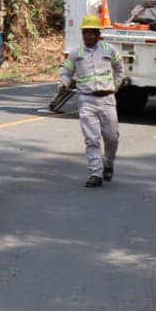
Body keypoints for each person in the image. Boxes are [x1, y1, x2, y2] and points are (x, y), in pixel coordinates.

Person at [58, 14, 124, 187]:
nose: (87, 35)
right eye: (85, 32)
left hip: (107, 100)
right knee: (92, 139)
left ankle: (108, 162)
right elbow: (66, 72)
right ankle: (96, 173)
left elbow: (119, 69)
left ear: (98, 34)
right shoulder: (76, 54)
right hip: (86, 101)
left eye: (90, 32)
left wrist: (115, 87)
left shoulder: (109, 50)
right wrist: (64, 82)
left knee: (112, 137)